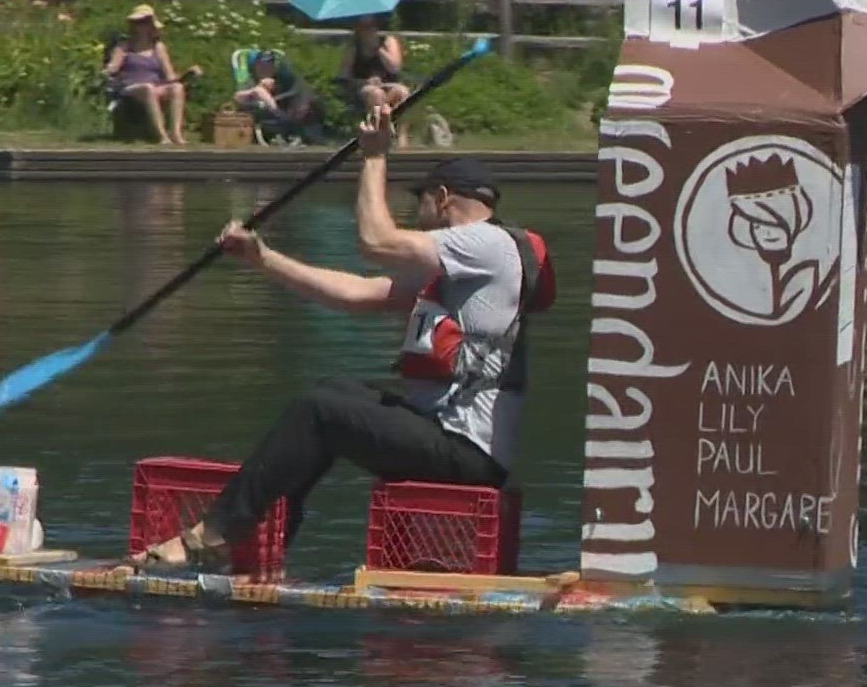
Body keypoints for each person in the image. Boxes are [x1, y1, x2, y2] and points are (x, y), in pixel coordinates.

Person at [130, 106, 556, 572]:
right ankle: (258, 554)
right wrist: (262, 258)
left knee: (321, 409)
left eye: (422, 204)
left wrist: (374, 157)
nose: (420, 214)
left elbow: (376, 240)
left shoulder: (483, 243)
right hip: (445, 441)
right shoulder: (465, 270)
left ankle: (213, 534)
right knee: (332, 394)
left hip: (466, 452)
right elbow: (357, 293)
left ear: (442, 198)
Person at [104, 5, 192, 144]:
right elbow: (113, 68)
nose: (141, 26)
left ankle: (176, 133)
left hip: (156, 86)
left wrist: (189, 74)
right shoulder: (125, 45)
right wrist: (109, 69)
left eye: (145, 22)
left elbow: (170, 76)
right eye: (139, 22)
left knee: (177, 88)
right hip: (131, 87)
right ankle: (161, 135)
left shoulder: (158, 47)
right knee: (147, 88)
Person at [338, 16, 412, 147]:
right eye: (363, 27)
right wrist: (365, 82)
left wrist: (378, 48)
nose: (367, 30)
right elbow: (344, 75)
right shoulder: (354, 45)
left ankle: (402, 137)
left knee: (403, 92)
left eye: (371, 26)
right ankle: (378, 135)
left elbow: (395, 68)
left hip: (389, 84)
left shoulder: (388, 41)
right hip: (364, 86)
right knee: (376, 94)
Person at [234, 48, 316, 143]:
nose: (267, 67)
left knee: (303, 91)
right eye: (263, 65)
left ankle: (297, 127)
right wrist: (258, 89)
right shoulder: (248, 79)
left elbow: (298, 89)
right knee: (258, 91)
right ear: (256, 66)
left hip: (284, 106)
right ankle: (280, 115)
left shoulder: (281, 79)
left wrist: (302, 103)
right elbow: (238, 96)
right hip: (258, 106)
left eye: (270, 64)